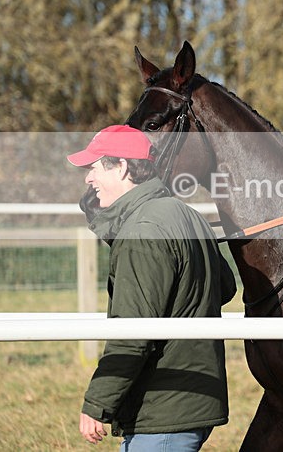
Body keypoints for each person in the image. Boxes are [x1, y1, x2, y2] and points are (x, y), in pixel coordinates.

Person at [67, 124, 236, 451]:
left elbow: (132, 337)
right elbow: (224, 288)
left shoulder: (142, 231)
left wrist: (96, 403)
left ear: (123, 167)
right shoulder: (187, 214)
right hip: (192, 404)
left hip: (163, 412)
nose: (88, 178)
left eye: (94, 167)